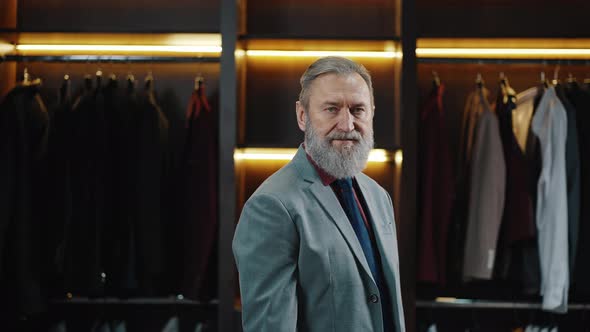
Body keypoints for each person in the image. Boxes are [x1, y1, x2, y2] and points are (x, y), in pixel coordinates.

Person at [233, 56, 405, 332]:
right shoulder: (271, 206)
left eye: (358, 110)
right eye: (332, 109)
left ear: (372, 113)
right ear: (302, 116)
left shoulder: (378, 196)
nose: (347, 124)